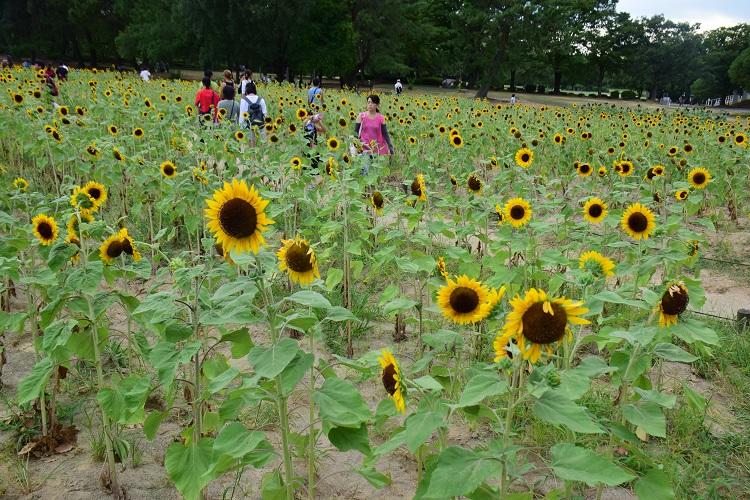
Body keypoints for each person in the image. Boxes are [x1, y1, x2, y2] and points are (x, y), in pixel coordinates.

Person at [354, 94, 394, 174]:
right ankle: (365, 186)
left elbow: (385, 133)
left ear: (377, 104)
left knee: (375, 173)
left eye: (372, 103)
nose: (370, 104)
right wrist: (356, 146)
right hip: (364, 147)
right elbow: (356, 133)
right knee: (364, 171)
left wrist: (390, 147)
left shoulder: (381, 118)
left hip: (377, 148)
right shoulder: (361, 116)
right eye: (368, 102)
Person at [239, 81, 267, 146]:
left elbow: (241, 117)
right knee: (260, 147)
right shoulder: (261, 100)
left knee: (249, 148)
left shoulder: (243, 100)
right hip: (260, 127)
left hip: (248, 127)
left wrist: (241, 129)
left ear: (246, 90)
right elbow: (265, 115)